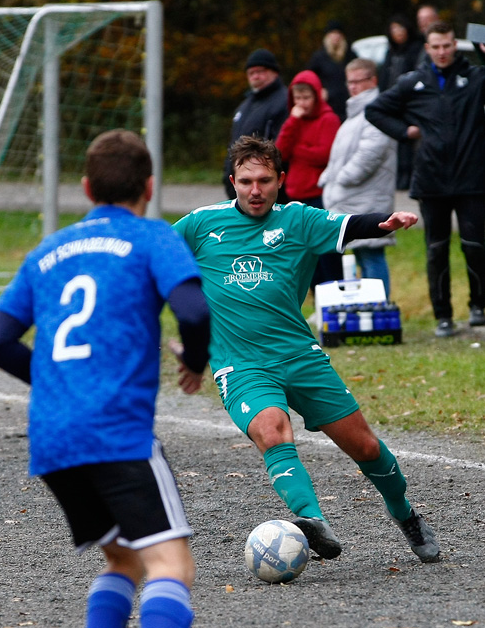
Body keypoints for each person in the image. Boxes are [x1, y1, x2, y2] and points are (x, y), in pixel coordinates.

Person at [0, 129, 211, 628]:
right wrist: (195, 361)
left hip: (53, 440)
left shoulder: (48, 249)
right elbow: (193, 313)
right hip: (116, 432)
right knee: (171, 566)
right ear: (149, 188)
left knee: (123, 559)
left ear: (86, 188)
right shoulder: (152, 237)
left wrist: (53, 381)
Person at [173, 135, 440, 562]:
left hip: (299, 355)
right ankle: (313, 521)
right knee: (271, 428)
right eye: (245, 181)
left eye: (263, 180)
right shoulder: (201, 225)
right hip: (240, 364)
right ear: (233, 182)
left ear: (281, 180)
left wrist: (384, 221)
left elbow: (347, 226)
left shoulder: (296, 221)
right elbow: (154, 259)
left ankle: (405, 514)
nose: (254, 190)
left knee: (366, 448)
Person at [366, 21, 485, 337]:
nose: (442, 52)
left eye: (446, 46)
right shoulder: (414, 82)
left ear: (454, 46)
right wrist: (405, 132)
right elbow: (375, 111)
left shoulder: (473, 76)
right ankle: (443, 315)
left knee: (474, 246)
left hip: (472, 177)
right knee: (436, 249)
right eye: (436, 47)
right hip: (432, 181)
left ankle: (477, 307)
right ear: (427, 49)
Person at [320, 59, 398, 298]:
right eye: (350, 81)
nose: (353, 87)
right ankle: (369, 309)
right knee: (363, 257)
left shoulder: (377, 111)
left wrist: (340, 179)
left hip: (368, 199)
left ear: (373, 81)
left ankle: (379, 311)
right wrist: (328, 179)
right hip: (354, 199)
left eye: (359, 81)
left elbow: (368, 156)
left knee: (372, 256)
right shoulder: (355, 114)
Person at [275, 70, 343, 286]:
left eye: (306, 97)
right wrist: (293, 121)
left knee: (326, 254)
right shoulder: (295, 120)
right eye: (298, 98)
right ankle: (317, 299)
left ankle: (334, 298)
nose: (302, 103)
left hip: (319, 196)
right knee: (304, 255)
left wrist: (297, 150)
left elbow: (325, 154)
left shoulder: (329, 119)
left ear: (316, 97)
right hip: (296, 196)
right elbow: (279, 152)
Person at [222, 48, 289, 199]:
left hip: (266, 192)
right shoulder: (245, 105)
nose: (256, 76)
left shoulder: (284, 102)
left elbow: (280, 150)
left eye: (261, 71)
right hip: (239, 188)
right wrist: (228, 175)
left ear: (275, 72)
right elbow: (233, 144)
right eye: (251, 73)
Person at [378, 14, 424, 191]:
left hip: (409, 102)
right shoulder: (391, 51)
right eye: (394, 29)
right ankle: (398, 177)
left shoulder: (415, 49)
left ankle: (408, 176)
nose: (397, 33)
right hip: (392, 103)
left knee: (408, 141)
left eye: (400, 28)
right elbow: (384, 77)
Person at [306, 20, 357, 120]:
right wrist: (318, 90)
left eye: (338, 33)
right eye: (333, 33)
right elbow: (309, 77)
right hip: (328, 105)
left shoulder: (350, 55)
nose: (336, 37)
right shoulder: (319, 57)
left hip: (347, 103)